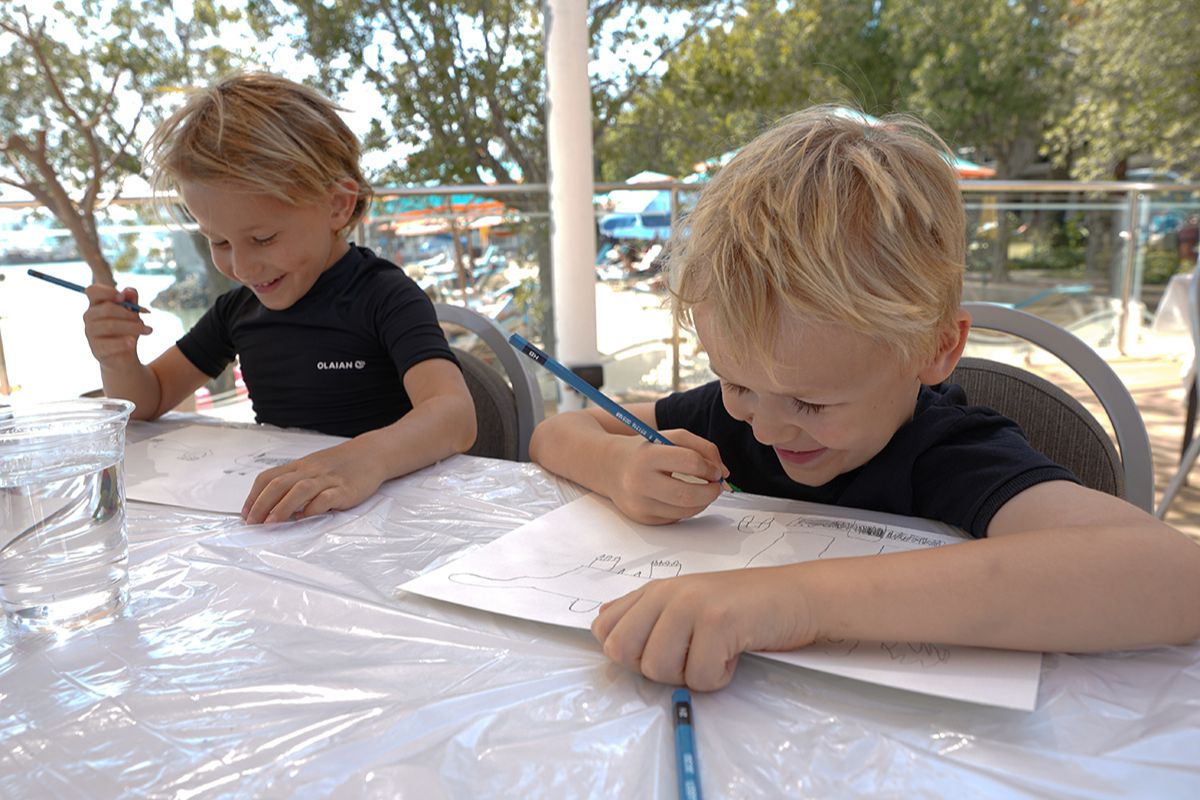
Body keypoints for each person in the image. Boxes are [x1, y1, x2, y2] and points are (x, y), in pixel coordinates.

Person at [529, 106, 1200, 692]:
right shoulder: (734, 416)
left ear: (934, 350)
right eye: (737, 383)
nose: (765, 428)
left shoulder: (950, 453)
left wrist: (790, 600)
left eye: (812, 405)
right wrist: (617, 468)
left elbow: (1173, 577)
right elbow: (559, 433)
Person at [83, 72, 476, 524]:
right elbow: (148, 401)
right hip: (287, 518)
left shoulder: (384, 295)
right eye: (220, 242)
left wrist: (366, 458)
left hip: (394, 513)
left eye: (264, 238)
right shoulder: (238, 310)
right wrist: (116, 359)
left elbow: (454, 415)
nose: (243, 269)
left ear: (337, 206)